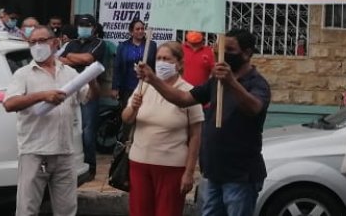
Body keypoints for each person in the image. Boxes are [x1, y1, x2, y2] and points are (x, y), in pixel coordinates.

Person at [137, 28, 271, 216]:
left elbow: (254, 107)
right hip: (213, 172)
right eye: (218, 51)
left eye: (229, 51)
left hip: (240, 176)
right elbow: (184, 98)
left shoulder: (256, 83)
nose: (221, 56)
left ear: (247, 53)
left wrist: (231, 82)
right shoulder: (216, 80)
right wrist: (153, 80)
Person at [3, 25, 93, 216]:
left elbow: (87, 97)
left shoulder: (68, 72)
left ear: (54, 43)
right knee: (27, 210)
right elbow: (9, 104)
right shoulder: (23, 74)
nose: (37, 46)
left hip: (65, 152)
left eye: (41, 41)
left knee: (67, 209)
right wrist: (42, 96)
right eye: (32, 42)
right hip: (34, 152)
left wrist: (91, 76)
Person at [123, 41, 202, 216]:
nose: (161, 63)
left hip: (171, 167)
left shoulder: (188, 92)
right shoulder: (143, 85)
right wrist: (133, 108)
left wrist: (189, 172)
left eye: (166, 59)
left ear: (179, 63)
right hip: (139, 163)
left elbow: (196, 136)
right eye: (158, 58)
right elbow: (127, 118)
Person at [60, 13, 108, 179]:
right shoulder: (72, 43)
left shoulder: (99, 43)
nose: (83, 28)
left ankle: (90, 166)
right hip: (70, 89)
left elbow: (89, 58)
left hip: (89, 89)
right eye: (81, 25)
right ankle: (74, 164)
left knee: (88, 130)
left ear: (94, 28)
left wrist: (71, 58)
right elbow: (60, 60)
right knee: (71, 128)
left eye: (87, 26)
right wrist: (78, 60)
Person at [113, 19, 156, 108]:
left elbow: (154, 66)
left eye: (142, 29)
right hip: (127, 87)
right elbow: (117, 67)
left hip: (146, 86)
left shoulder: (151, 45)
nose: (140, 31)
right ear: (131, 32)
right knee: (128, 113)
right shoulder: (123, 47)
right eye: (137, 29)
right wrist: (115, 88)